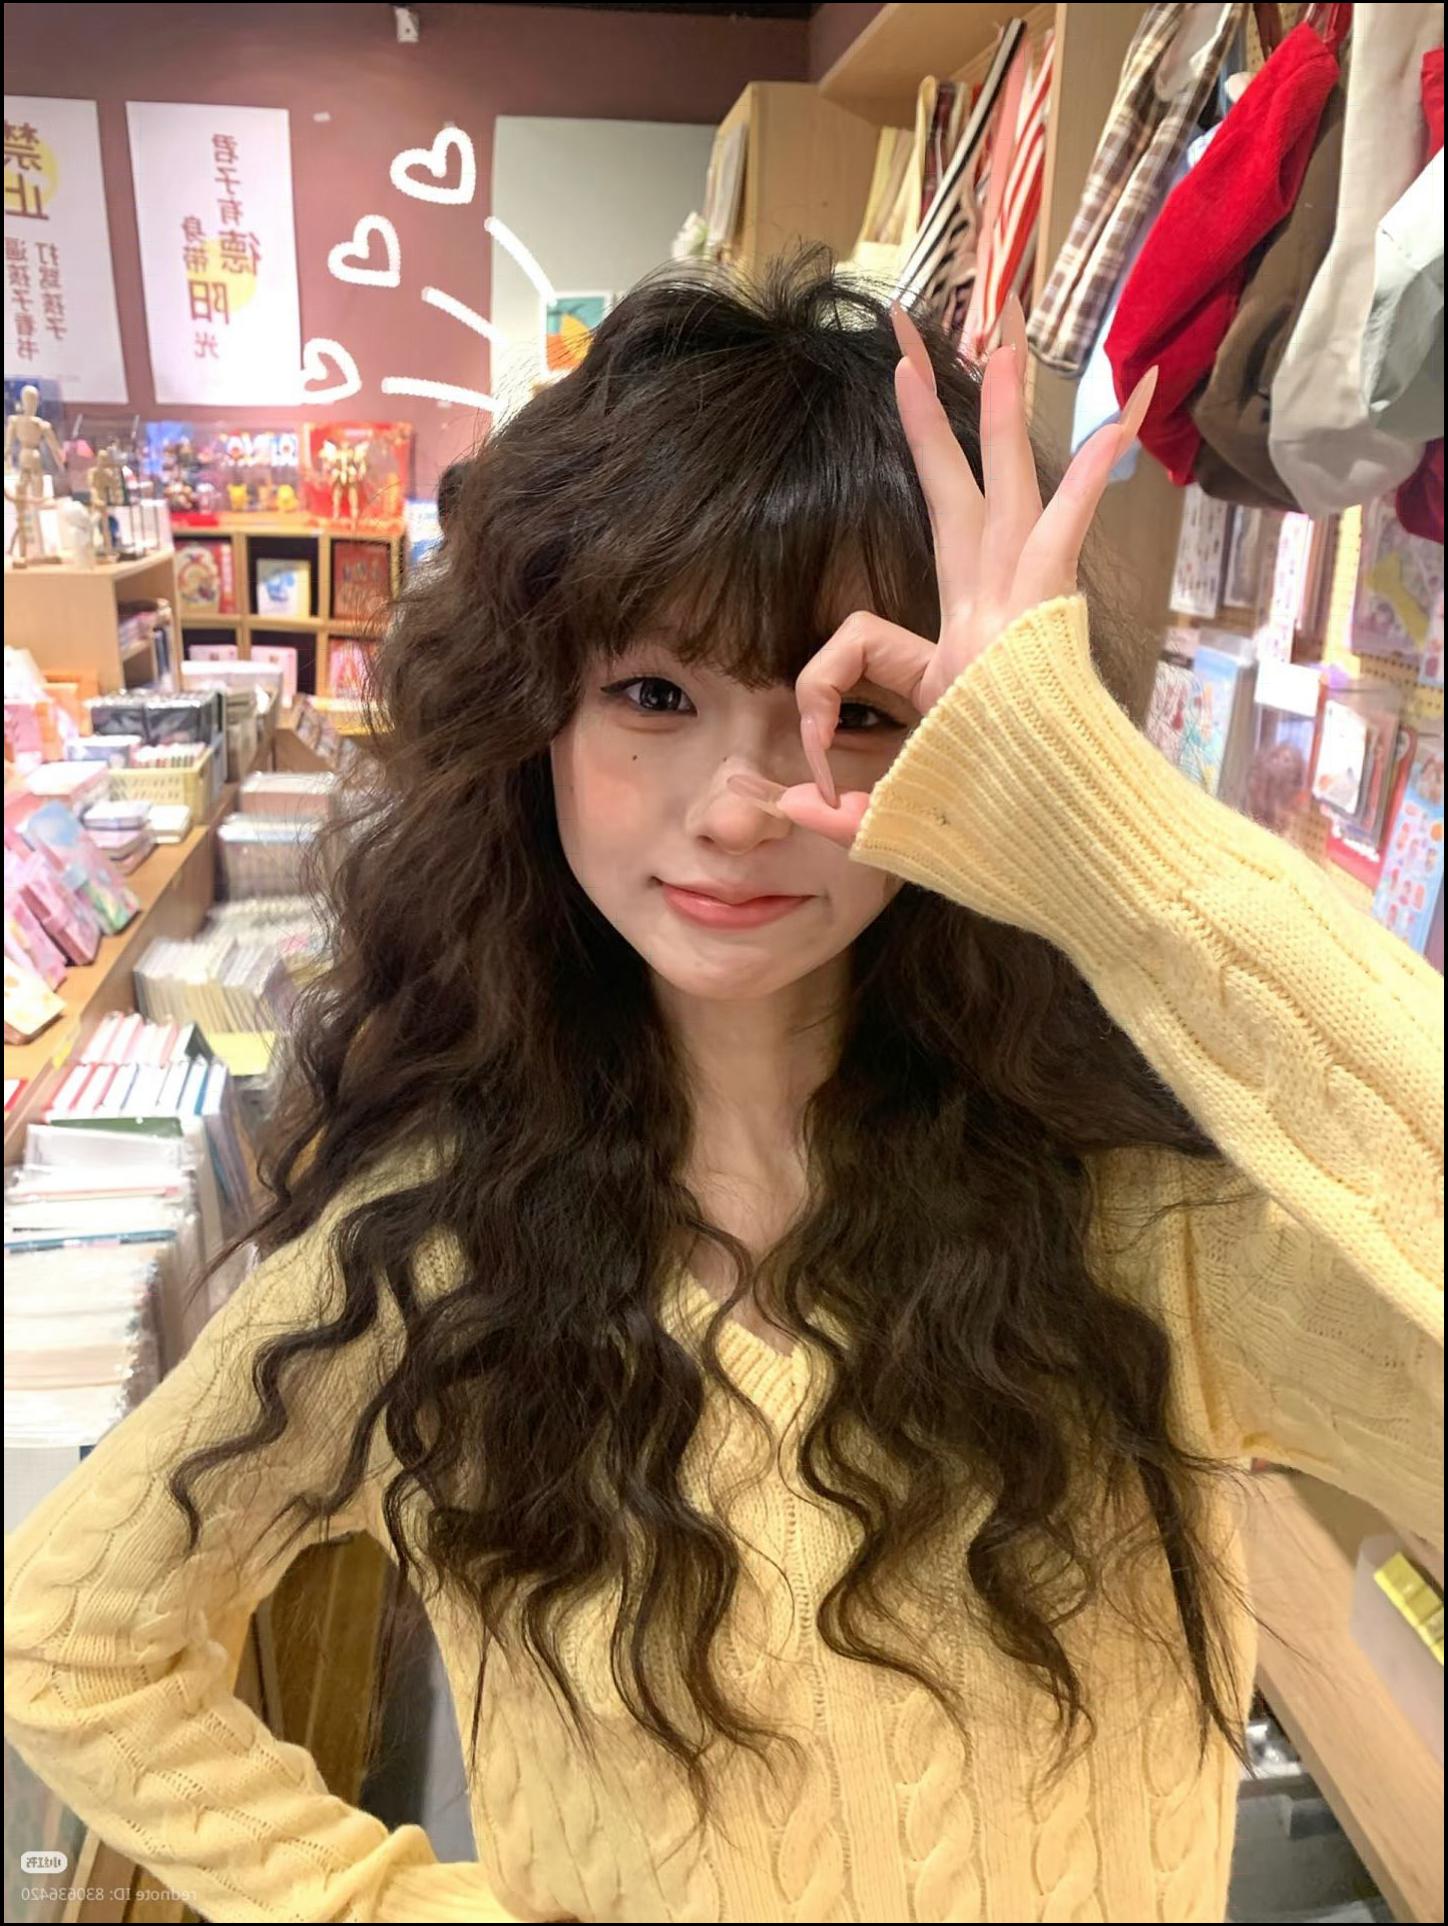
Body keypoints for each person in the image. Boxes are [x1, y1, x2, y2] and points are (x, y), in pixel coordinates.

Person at [4, 261, 1442, 1925]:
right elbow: (71, 1638)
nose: (747, 804)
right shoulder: (432, 1258)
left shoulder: (1148, 1234)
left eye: (855, 710)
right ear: (533, 721)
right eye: (655, 695)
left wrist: (1100, 839)